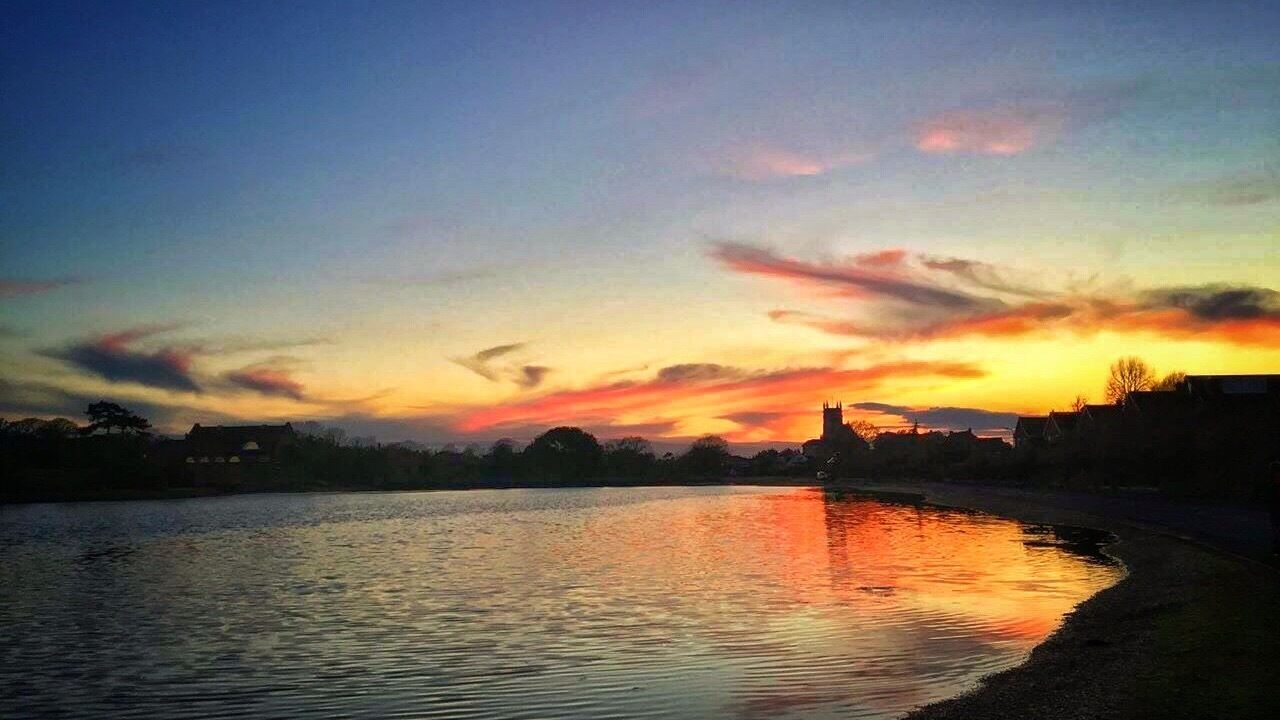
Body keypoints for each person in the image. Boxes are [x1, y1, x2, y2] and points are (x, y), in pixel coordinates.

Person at [1271, 461, 1280, 556]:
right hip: (1275, 508)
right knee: (1276, 528)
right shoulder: (1273, 483)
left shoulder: (1273, 482)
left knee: (1276, 529)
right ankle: (1276, 549)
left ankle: (1276, 549)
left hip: (1275, 508)